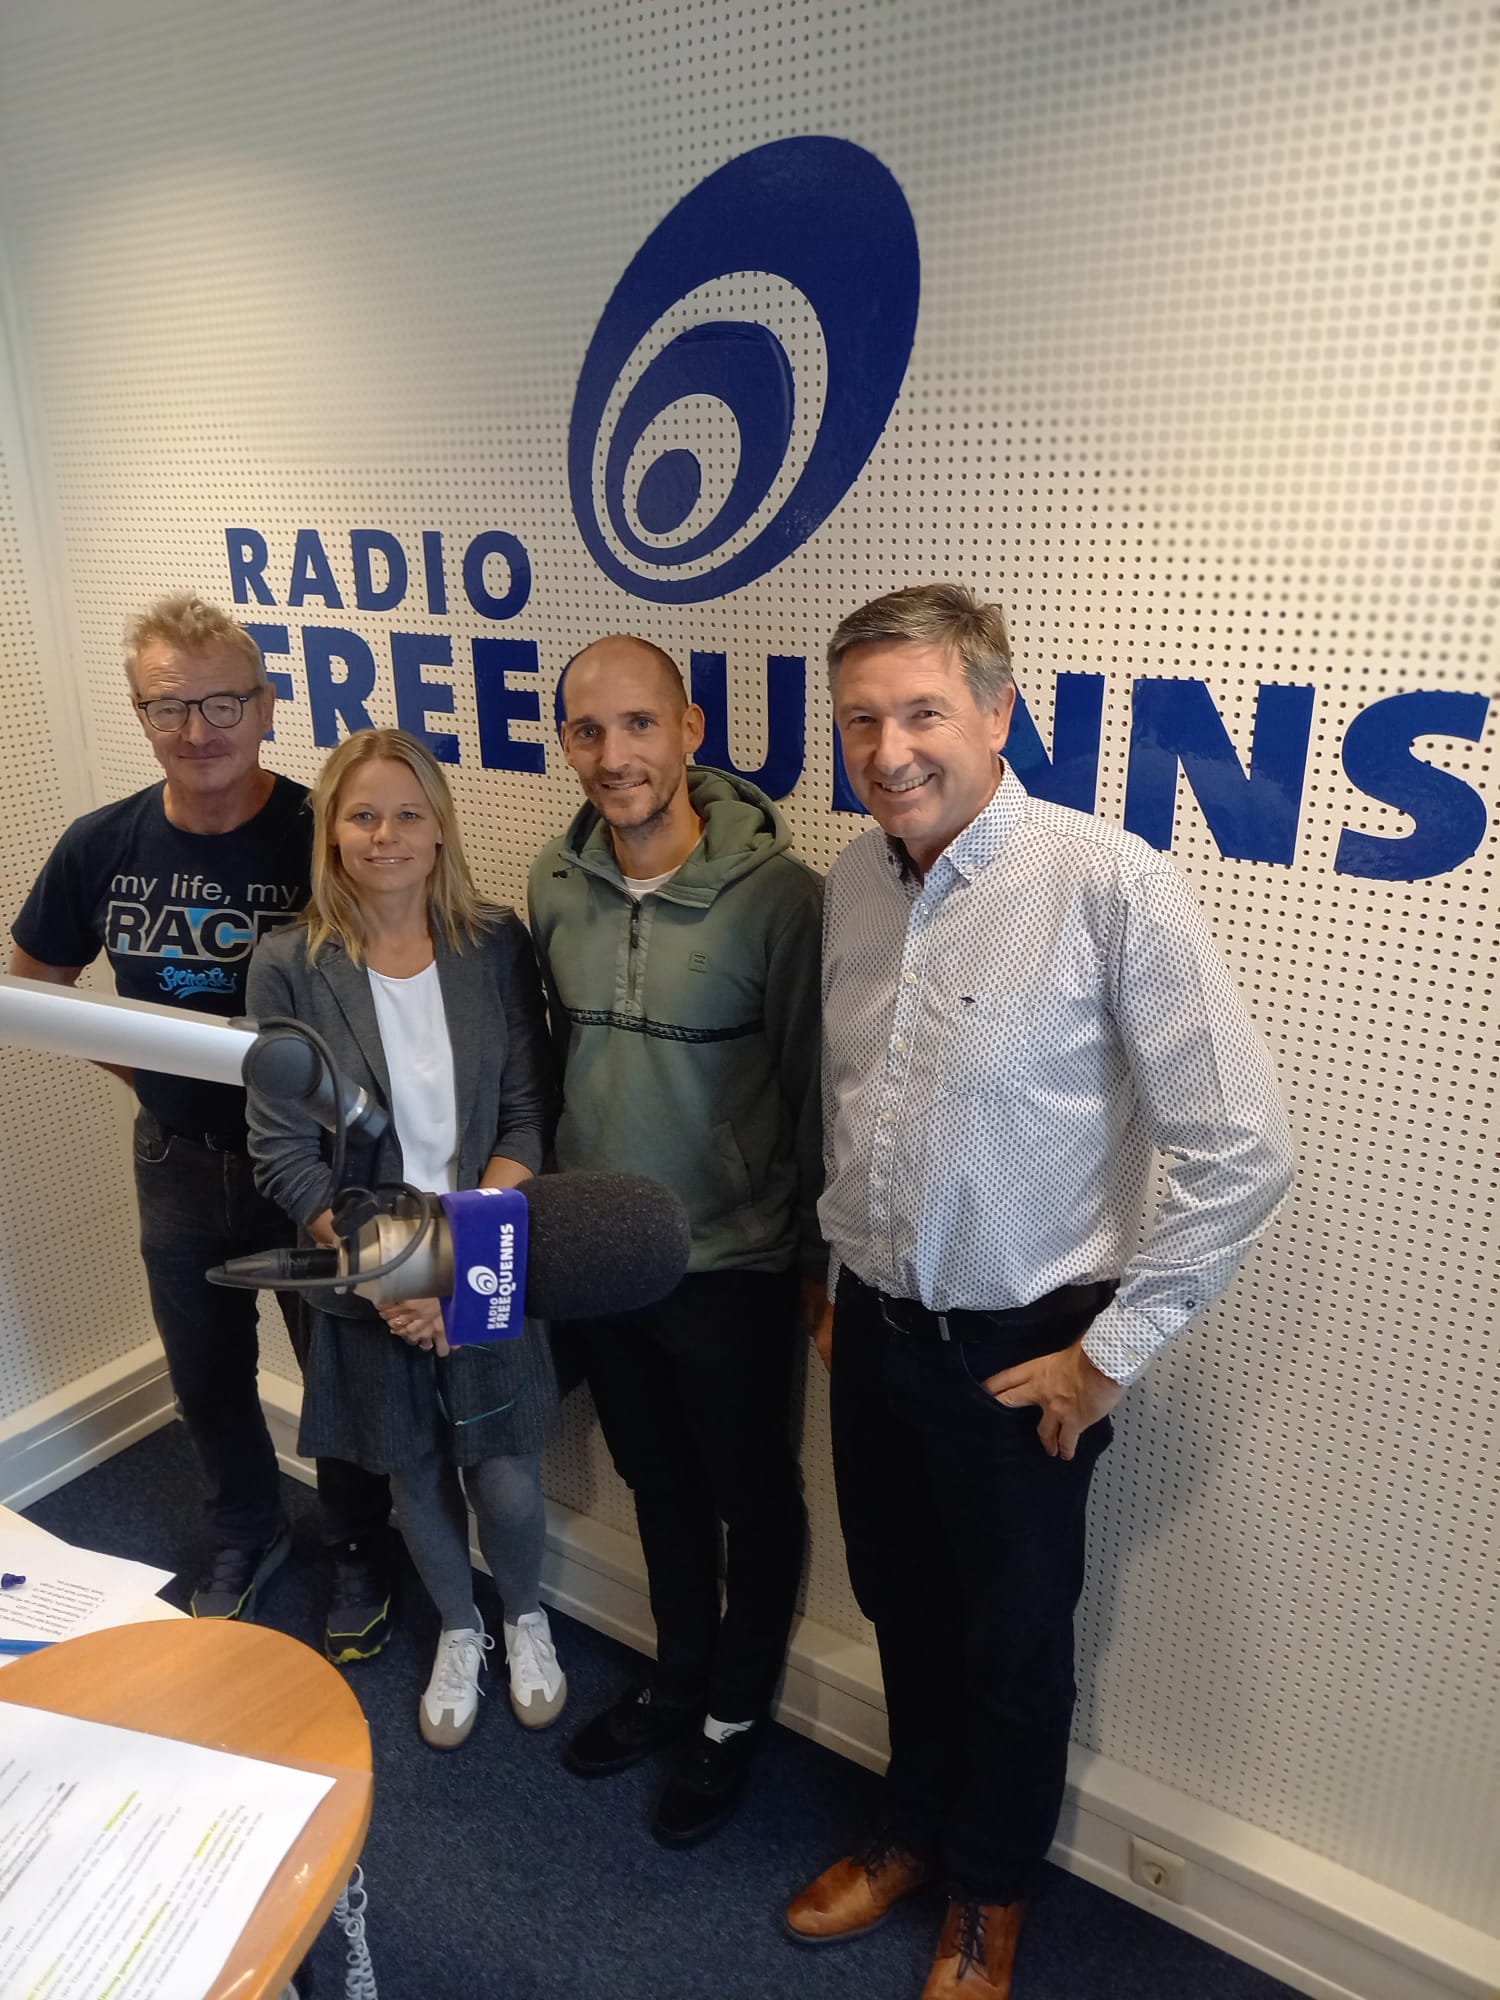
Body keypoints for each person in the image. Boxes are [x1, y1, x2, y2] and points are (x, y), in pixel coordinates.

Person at [786, 584, 1296, 2000]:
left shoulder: (1108, 882)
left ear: (998, 712)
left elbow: (1244, 1149)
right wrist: (835, 1274)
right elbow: (854, 1105)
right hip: (872, 1327)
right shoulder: (853, 879)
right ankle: (911, 1829)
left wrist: (1108, 1356)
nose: (890, 749)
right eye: (862, 720)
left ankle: (989, 1893)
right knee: (898, 1603)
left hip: (1023, 1354)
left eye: (922, 712)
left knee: (1014, 1644)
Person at [10, 593, 393, 1647]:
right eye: (168, 706)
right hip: (178, 1157)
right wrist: (149, 1077)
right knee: (205, 1367)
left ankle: (359, 1540)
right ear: (140, 714)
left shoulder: (329, 835)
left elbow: (397, 984)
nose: (198, 729)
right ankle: (244, 1529)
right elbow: (36, 984)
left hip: (316, 1161)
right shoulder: (101, 844)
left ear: (265, 706)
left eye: (224, 702)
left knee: (340, 1365)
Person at [528, 635, 823, 1845]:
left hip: (733, 1264)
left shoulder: (785, 900)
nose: (615, 754)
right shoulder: (554, 883)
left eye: (639, 724)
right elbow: (553, 1068)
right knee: (655, 1481)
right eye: (588, 730)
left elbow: (812, 1093)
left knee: (751, 1495)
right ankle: (677, 1677)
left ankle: (734, 1714)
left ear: (691, 730)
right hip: (605, 1255)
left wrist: (815, 1268)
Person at [246, 727, 566, 1749]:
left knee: (505, 1473)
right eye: (362, 815)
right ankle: (461, 1627)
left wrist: (456, 1263)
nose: (384, 835)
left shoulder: (495, 943)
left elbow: (527, 1118)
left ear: (438, 829)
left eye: (407, 814)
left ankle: (524, 1616)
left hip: (485, 1255)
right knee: (413, 1472)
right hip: (368, 1276)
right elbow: (284, 1154)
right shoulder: (288, 965)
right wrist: (398, 1274)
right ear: (332, 833)